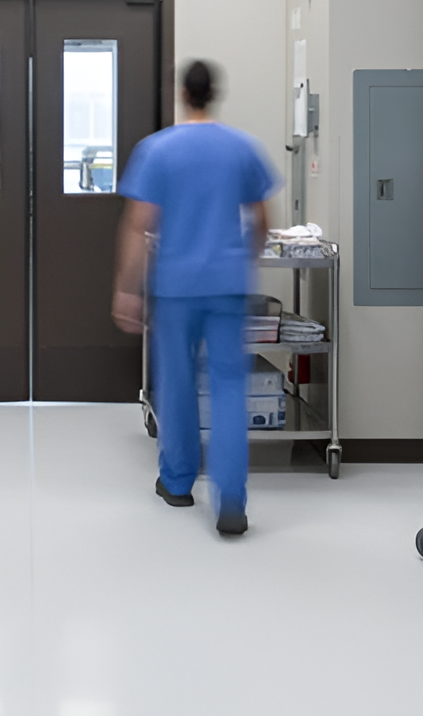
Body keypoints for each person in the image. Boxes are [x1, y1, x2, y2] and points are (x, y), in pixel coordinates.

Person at [112, 60, 281, 536]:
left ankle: (178, 482)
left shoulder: (158, 150)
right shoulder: (242, 148)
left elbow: (138, 222)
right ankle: (231, 500)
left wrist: (127, 288)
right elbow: (262, 221)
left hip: (176, 287)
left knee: (178, 385)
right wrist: (241, 260)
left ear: (183, 94)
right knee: (229, 388)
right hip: (228, 285)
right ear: (215, 94)